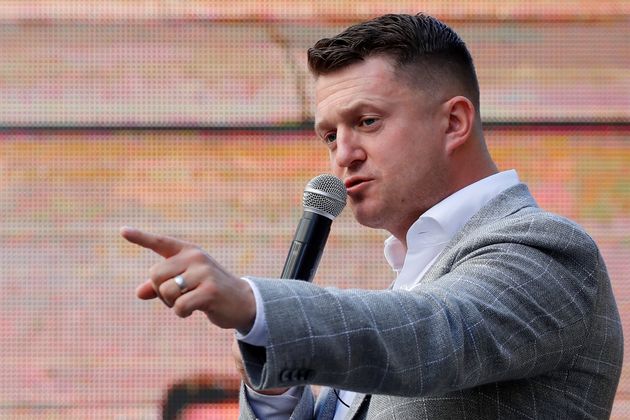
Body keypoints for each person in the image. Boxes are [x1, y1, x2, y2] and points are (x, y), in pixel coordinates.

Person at [121, 13, 623, 419]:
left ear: (454, 122)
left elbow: (437, 334)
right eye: (329, 135)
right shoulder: (415, 277)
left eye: (366, 122)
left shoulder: (547, 252)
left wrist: (258, 306)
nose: (343, 154)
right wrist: (275, 395)